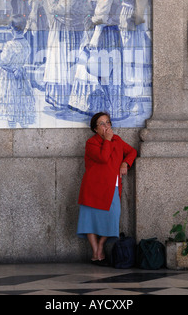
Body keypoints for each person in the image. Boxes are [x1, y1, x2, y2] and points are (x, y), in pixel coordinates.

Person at [77, 112, 137, 265]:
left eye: (108, 122)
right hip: (93, 187)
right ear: (95, 129)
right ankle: (96, 251)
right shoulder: (92, 143)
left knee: (113, 217)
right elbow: (103, 158)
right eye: (102, 124)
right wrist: (108, 140)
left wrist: (125, 163)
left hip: (112, 186)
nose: (106, 126)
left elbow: (132, 152)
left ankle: (100, 246)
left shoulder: (117, 140)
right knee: (89, 220)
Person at [0, 14, 36, 128]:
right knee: (20, 103)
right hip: (21, 75)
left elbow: (3, 60)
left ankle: (12, 126)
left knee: (10, 103)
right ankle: (23, 126)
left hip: (9, 78)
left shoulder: (9, 45)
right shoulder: (26, 43)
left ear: (12, 29)